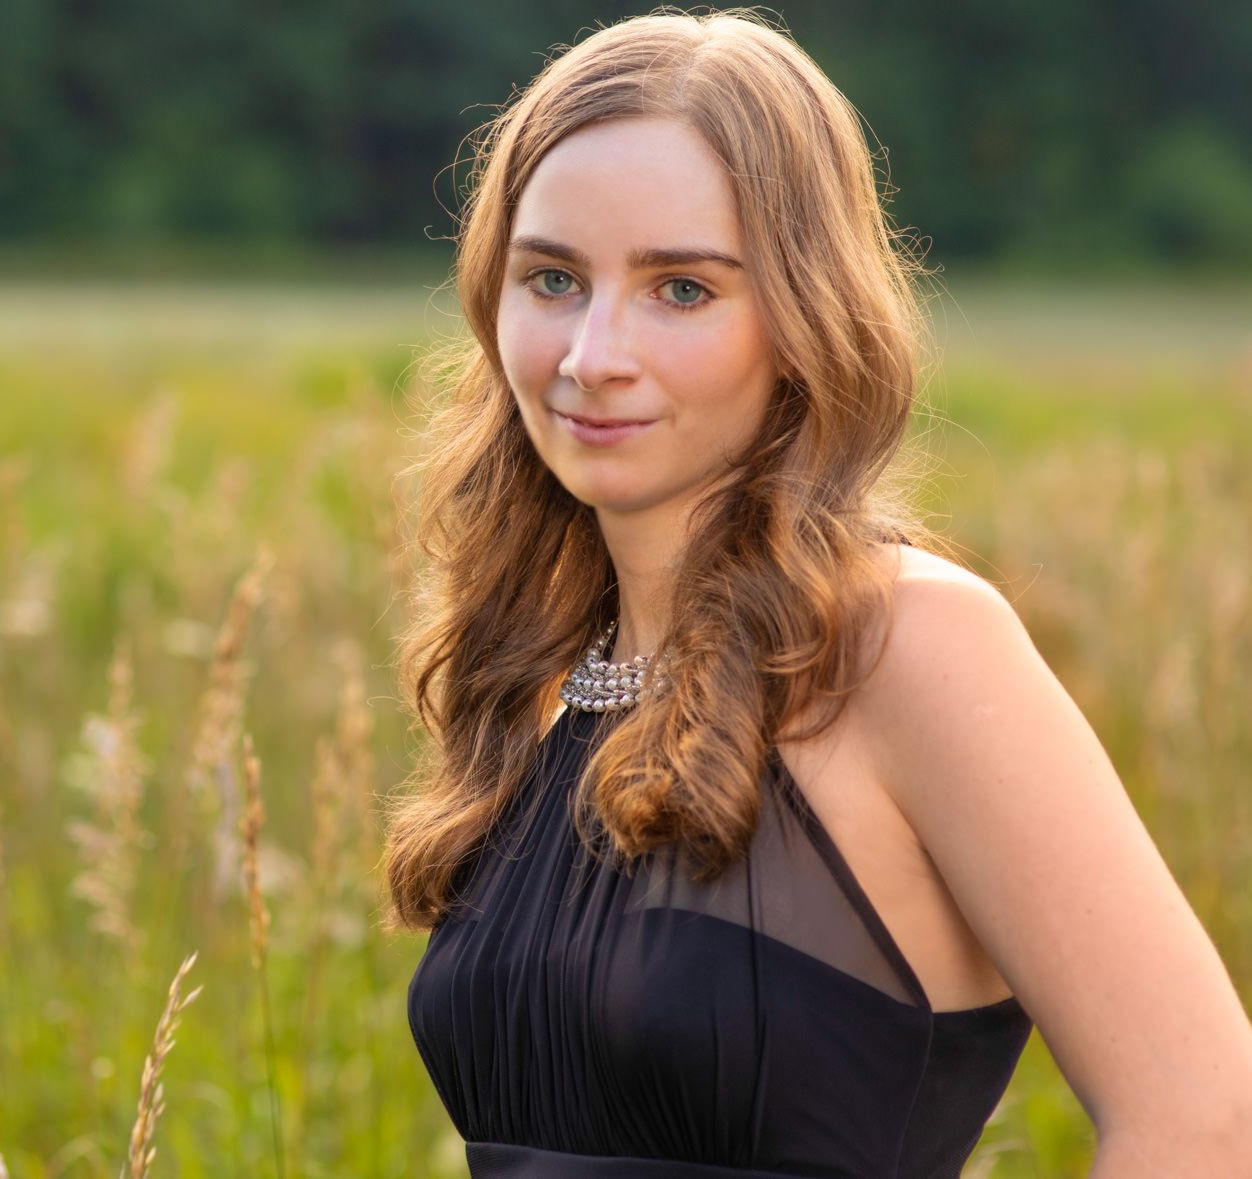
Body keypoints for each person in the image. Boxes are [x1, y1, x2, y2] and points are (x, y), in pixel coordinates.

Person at [381, 9, 1252, 1176]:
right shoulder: (551, 680)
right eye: (552, 278)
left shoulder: (910, 644)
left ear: (801, 316)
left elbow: (1206, 1119)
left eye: (681, 289)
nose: (592, 354)